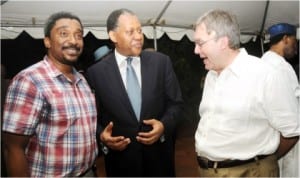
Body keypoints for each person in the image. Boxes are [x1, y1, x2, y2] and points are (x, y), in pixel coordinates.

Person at [193, 9, 299, 177]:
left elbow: (292, 130)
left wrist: (263, 162)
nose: (196, 51)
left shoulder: (265, 74)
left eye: (200, 43)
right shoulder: (212, 75)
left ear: (222, 41)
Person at [85, 8, 183, 177]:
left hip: (159, 161)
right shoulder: (96, 73)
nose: (138, 36)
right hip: (121, 165)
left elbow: (176, 104)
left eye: (139, 30)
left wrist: (163, 126)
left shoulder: (161, 63)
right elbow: (91, 117)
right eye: (130, 32)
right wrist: (102, 135)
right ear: (113, 36)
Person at [2, 12, 98, 177]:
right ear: (47, 41)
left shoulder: (81, 80)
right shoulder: (30, 80)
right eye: (63, 34)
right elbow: (13, 148)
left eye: (78, 35)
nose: (73, 41)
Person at [261, 22, 299, 177]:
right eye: (295, 41)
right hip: (286, 143)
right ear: (286, 39)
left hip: (270, 140)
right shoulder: (280, 68)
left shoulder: (262, 62)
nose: (297, 46)